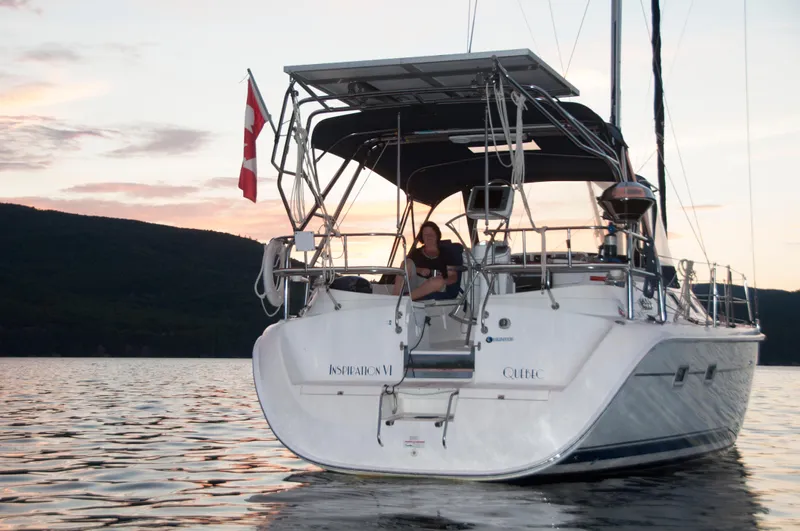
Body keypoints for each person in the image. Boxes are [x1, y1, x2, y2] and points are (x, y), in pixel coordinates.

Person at [393, 221, 461, 301]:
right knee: (406, 263)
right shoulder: (416, 253)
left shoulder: (446, 252)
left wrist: (443, 279)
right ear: (422, 237)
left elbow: (453, 276)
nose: (429, 237)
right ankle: (394, 298)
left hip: (436, 284)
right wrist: (420, 270)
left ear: (437, 235)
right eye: (426, 234)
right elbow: (407, 269)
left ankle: (404, 300)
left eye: (431, 234)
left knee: (437, 282)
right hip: (417, 283)